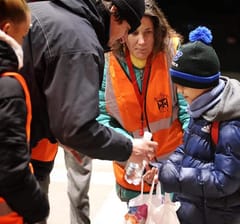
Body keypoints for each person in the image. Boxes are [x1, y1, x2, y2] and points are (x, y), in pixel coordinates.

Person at [20, 0, 158, 224]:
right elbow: (77, 128)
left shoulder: (48, 11)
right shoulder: (79, 42)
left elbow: (38, 88)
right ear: (115, 13)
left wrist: (59, 132)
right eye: (127, 29)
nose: (124, 39)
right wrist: (129, 147)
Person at [158, 26, 240, 224]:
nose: (179, 91)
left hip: (216, 216)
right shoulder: (202, 108)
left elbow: (225, 179)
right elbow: (188, 149)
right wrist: (163, 167)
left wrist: (175, 177)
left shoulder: (231, 120)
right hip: (194, 210)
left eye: (183, 84)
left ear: (202, 83)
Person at [97, 0, 190, 203]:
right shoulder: (107, 61)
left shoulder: (172, 55)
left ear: (157, 32)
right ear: (123, 33)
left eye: (147, 32)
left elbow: (188, 111)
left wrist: (181, 159)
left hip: (173, 166)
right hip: (132, 168)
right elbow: (102, 117)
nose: (141, 41)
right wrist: (130, 146)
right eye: (135, 33)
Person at [0, 0, 49, 223]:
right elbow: (12, 168)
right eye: (23, 36)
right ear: (7, 29)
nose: (23, 43)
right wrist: (38, 205)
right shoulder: (8, 86)